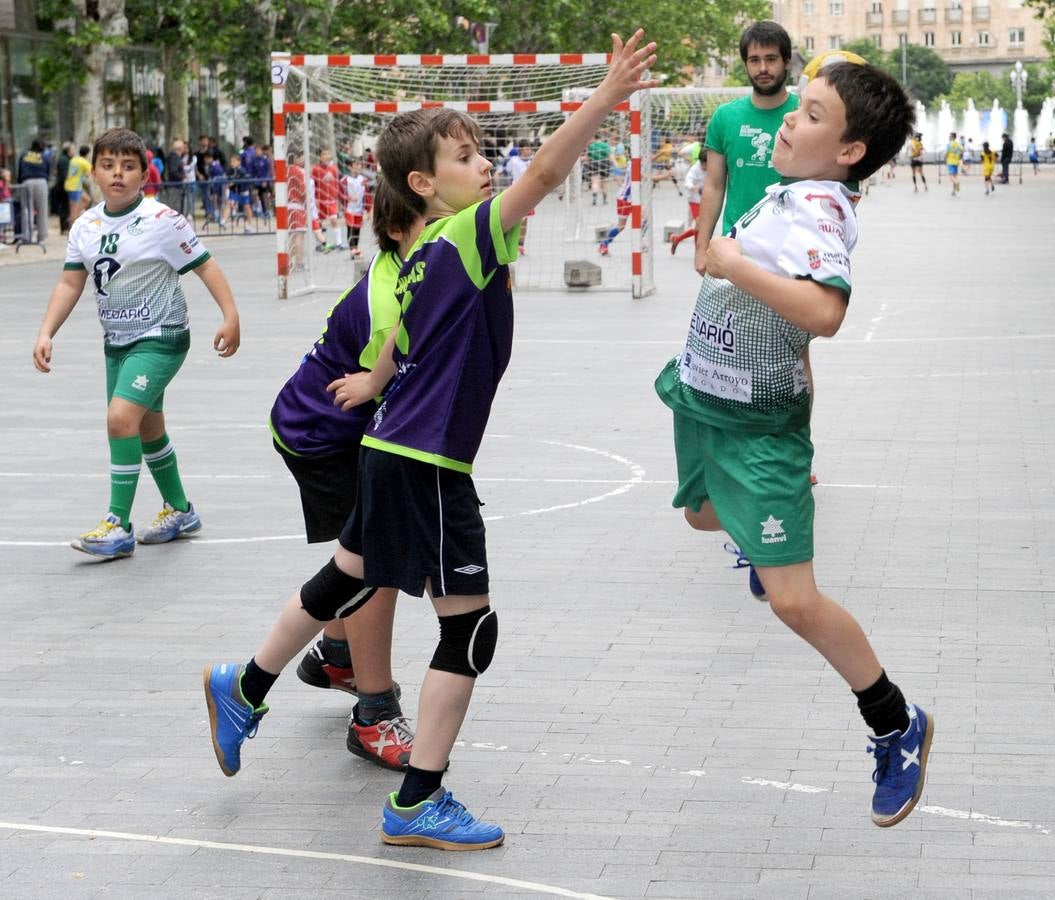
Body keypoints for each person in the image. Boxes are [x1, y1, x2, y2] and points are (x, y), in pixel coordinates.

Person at [204, 29, 658, 852]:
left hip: (393, 452)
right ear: (424, 183)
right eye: (464, 156)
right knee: (469, 629)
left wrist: (376, 382)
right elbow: (552, 173)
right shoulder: (469, 234)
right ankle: (418, 800)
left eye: (483, 152)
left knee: (347, 573)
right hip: (426, 464)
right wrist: (603, 97)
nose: (485, 165)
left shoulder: (424, 253)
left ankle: (247, 684)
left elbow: (400, 331)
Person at [654, 61, 932, 829]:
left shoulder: (819, 208)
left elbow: (824, 310)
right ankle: (757, 537)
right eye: (797, 109)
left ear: (849, 150)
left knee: (794, 602)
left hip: (755, 429)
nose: (789, 120)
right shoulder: (795, 192)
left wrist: (733, 262)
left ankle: (893, 722)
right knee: (699, 515)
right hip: (712, 402)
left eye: (811, 115)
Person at [204, 184, 424, 784]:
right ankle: (374, 710)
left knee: (362, 558)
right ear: (404, 229)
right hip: (320, 435)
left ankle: (335, 656)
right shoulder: (390, 298)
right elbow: (402, 378)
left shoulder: (413, 269)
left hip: (321, 426)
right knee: (374, 568)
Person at [32, 128, 240, 559]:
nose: (117, 174)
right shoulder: (85, 226)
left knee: (119, 419)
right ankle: (181, 510)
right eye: (108, 165)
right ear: (95, 173)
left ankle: (117, 525)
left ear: (145, 173)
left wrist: (230, 316)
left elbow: (206, 266)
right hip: (118, 343)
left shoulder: (163, 220)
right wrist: (46, 330)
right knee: (147, 428)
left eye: (128, 166)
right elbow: (71, 282)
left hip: (162, 337)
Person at [692, 21, 798, 277]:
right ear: (745, 64)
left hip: (793, 249)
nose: (762, 68)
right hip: (735, 250)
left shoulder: (804, 114)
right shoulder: (724, 117)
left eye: (771, 59)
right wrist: (701, 246)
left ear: (786, 61)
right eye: (754, 60)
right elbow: (714, 186)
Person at [669, 147, 708, 254]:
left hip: (705, 200)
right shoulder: (695, 169)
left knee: (701, 227)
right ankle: (698, 251)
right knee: (699, 224)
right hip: (694, 200)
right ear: (701, 161)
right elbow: (687, 181)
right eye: (704, 164)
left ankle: (677, 239)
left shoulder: (710, 167)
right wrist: (692, 187)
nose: (705, 167)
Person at [17, 139, 50, 243]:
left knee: (26, 210)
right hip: (41, 181)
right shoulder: (44, 157)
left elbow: (20, 170)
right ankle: (41, 237)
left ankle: (27, 236)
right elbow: (48, 170)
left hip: (27, 182)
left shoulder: (24, 155)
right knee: (42, 210)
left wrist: (20, 182)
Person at [503, 138, 533, 253]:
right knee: (517, 218)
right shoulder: (514, 160)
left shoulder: (532, 160)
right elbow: (507, 170)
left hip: (529, 193)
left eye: (530, 148)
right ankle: (510, 242)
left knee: (525, 220)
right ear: (521, 149)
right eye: (526, 148)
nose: (528, 151)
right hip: (516, 192)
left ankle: (521, 244)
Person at [311, 148, 344, 250]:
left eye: (328, 154)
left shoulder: (334, 168)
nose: (326, 156)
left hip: (331, 200)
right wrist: (314, 199)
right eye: (324, 154)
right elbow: (313, 185)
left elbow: (337, 184)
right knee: (319, 222)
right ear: (319, 157)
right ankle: (319, 243)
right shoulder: (315, 169)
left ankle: (339, 243)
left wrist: (339, 198)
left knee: (334, 219)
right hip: (320, 201)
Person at [340, 157, 370, 258]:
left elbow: (367, 195)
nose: (358, 167)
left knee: (357, 230)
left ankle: (355, 248)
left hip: (359, 209)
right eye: (356, 165)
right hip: (349, 209)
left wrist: (368, 210)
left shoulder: (363, 180)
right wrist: (348, 198)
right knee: (351, 229)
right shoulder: (345, 180)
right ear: (349, 167)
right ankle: (353, 249)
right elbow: (339, 194)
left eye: (359, 165)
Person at [945, 131, 963, 196]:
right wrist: (959, 157)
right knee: (955, 176)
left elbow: (946, 153)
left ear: (952, 137)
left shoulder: (949, 144)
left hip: (950, 161)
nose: (949, 137)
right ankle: (954, 191)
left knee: (951, 177)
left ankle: (957, 183)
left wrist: (945, 159)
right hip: (956, 161)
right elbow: (961, 151)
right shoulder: (958, 144)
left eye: (950, 136)